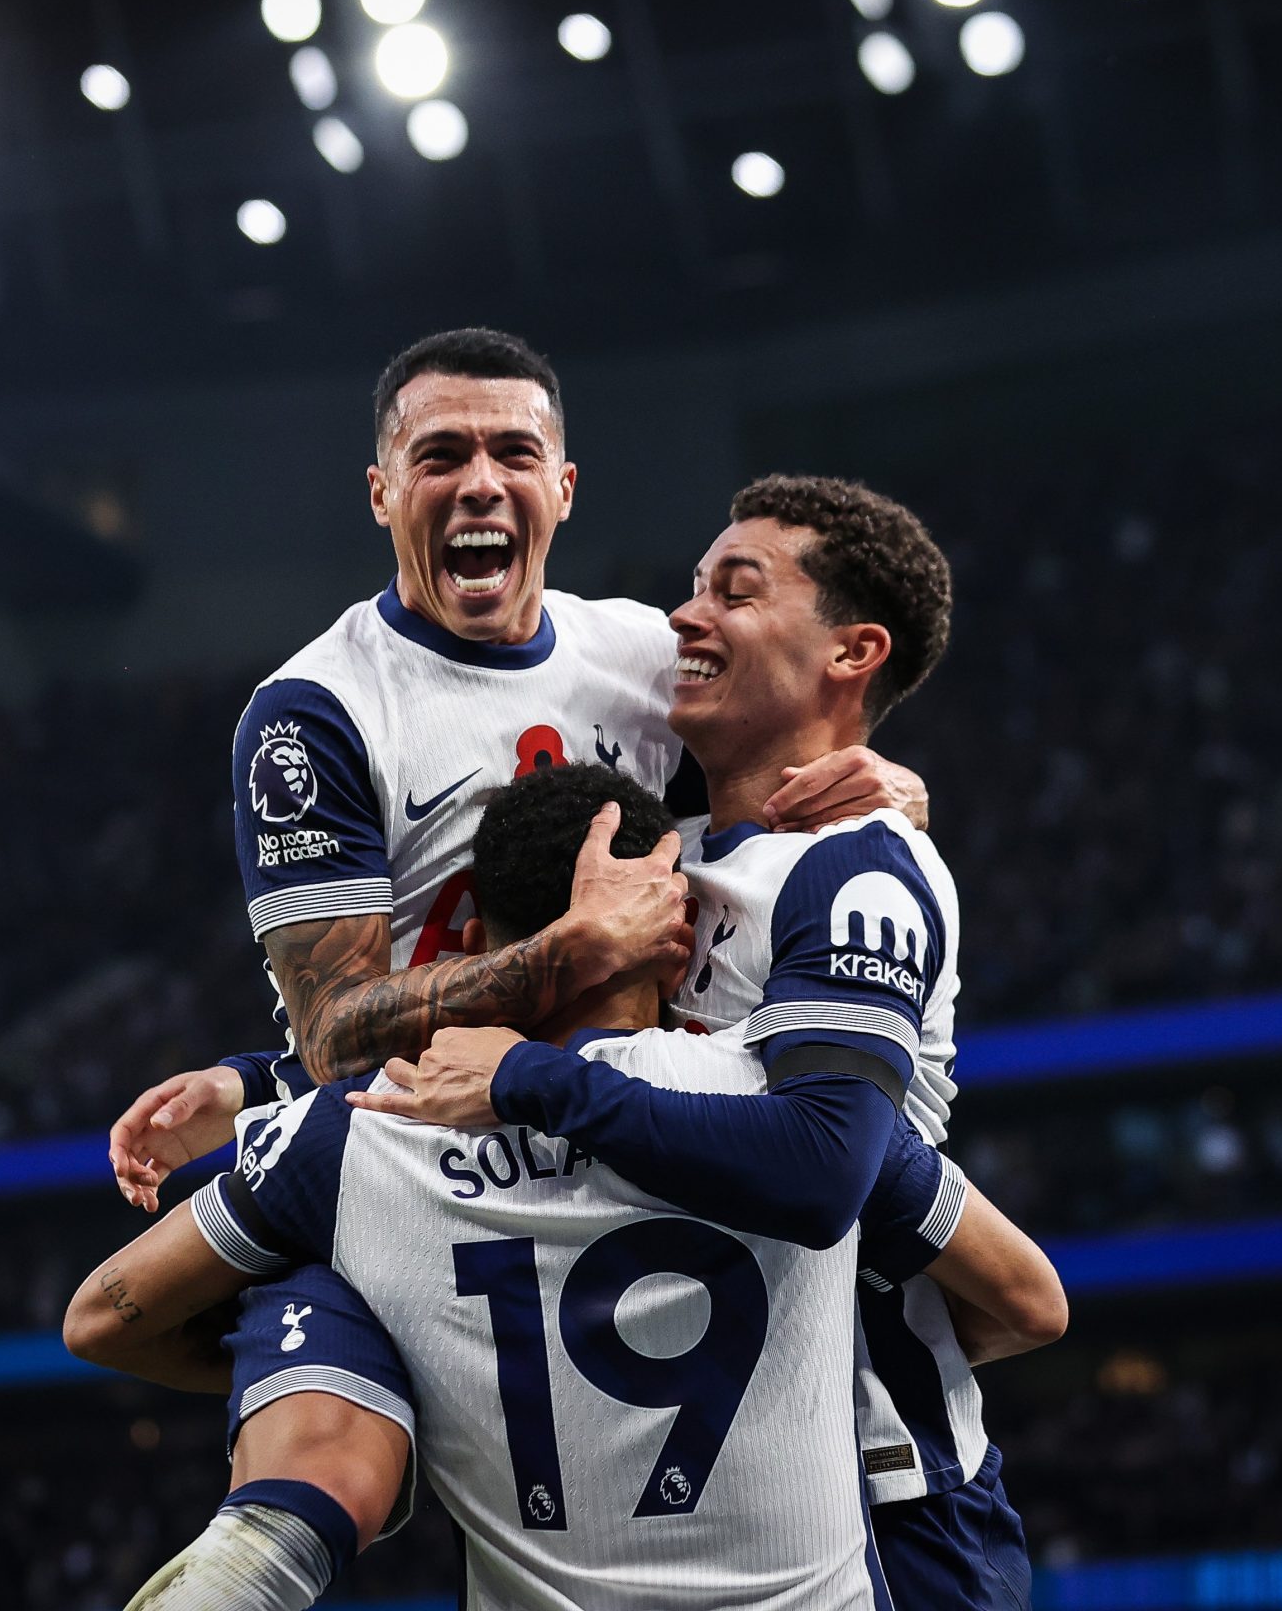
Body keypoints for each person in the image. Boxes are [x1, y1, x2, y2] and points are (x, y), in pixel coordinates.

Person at [99, 331, 931, 1585]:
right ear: (383, 492)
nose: (479, 481)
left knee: (923, 1244)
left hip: (641, 1111)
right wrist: (567, 953)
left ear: (563, 489)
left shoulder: (646, 661)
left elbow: (790, 746)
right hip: (429, 1138)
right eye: (439, 455)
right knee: (316, 1437)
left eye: (511, 452)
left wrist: (892, 789)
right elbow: (334, 1032)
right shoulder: (315, 711)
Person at [67, 765, 1065, 1610]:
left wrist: (402, 1364)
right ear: (675, 936)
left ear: (483, 948)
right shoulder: (789, 1113)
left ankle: (275, 1524)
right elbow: (1029, 1301)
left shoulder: (356, 1135)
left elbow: (104, 1315)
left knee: (308, 1287)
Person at [366, 476, 1041, 1606]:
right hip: (671, 1486)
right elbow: (472, 1011)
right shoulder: (642, 850)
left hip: (885, 1502)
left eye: (736, 589)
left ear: (852, 650)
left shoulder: (856, 870)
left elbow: (825, 1168)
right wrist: (251, 1081)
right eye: (691, 586)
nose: (686, 615)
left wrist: (534, 1077)